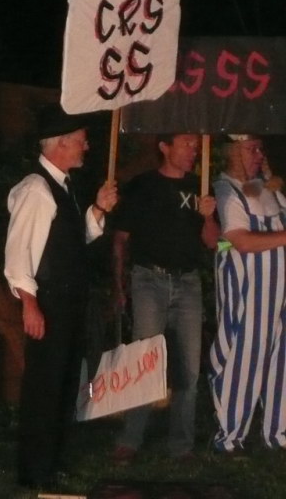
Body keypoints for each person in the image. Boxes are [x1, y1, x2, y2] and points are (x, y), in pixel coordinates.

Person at [3, 102, 118, 488]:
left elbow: (71, 239)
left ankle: (52, 463)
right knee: (45, 387)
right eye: (82, 140)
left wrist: (98, 209)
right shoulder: (36, 189)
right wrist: (30, 304)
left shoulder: (63, 186)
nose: (87, 146)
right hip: (48, 302)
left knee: (66, 384)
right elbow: (19, 252)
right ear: (61, 143)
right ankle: (35, 472)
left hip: (68, 304)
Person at [111, 134, 219, 464]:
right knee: (145, 362)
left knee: (188, 367)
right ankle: (130, 439)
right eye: (186, 144)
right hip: (149, 280)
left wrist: (208, 216)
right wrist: (119, 285)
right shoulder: (143, 186)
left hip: (188, 282)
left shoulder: (201, 187)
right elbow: (120, 239)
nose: (193, 151)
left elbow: (213, 242)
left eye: (196, 146)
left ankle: (181, 446)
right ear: (165, 147)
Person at [208, 134, 286, 453]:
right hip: (249, 294)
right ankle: (231, 436)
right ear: (232, 152)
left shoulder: (263, 188)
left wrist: (272, 183)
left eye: (260, 149)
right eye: (250, 149)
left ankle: (278, 431)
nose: (258, 154)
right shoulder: (226, 190)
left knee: (280, 361)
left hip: (279, 295)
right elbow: (239, 241)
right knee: (244, 357)